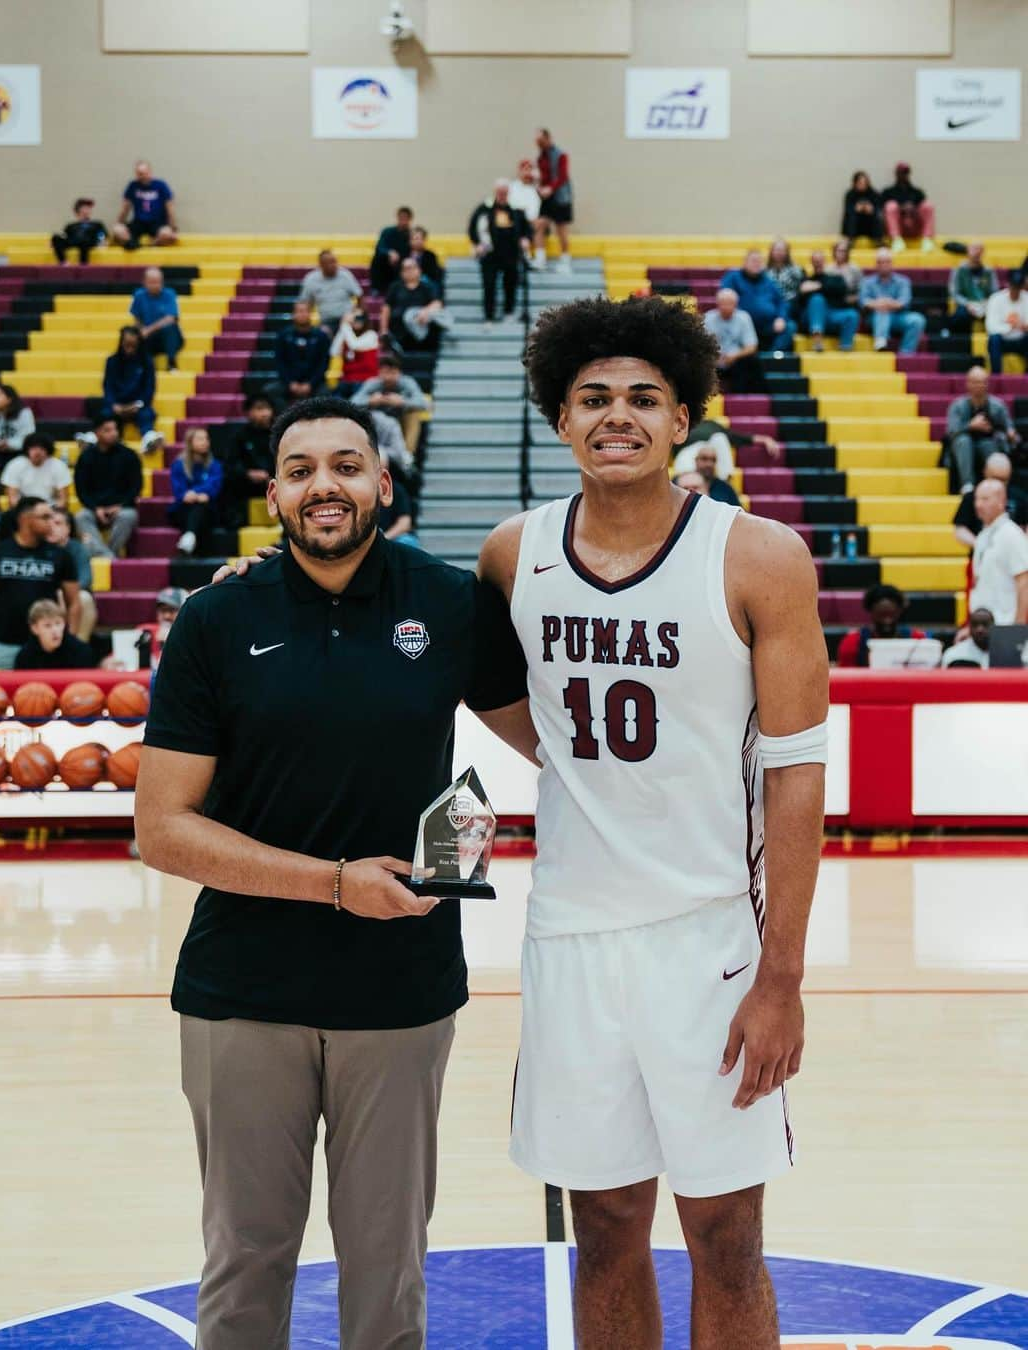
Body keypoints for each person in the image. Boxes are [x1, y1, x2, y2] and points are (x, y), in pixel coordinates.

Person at [134, 395, 530, 1350]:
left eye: (347, 466)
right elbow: (163, 830)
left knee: (388, 1268)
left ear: (383, 484)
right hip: (243, 991)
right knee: (245, 1261)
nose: (326, 485)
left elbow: (563, 742)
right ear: (275, 493)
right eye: (302, 469)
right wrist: (336, 882)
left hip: (400, 991)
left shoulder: (446, 601)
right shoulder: (217, 618)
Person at [478, 294, 828, 1349]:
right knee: (607, 1224)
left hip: (711, 940)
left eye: (644, 397)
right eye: (592, 398)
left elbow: (798, 779)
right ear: (559, 418)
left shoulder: (758, 556)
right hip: (571, 939)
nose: (616, 415)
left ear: (685, 420)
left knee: (726, 1234)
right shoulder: (513, 553)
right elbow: (497, 691)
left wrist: (783, 978)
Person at [0, 496, 80, 669]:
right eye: (45, 517)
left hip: (45, 648)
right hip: (3, 643)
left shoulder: (61, 555)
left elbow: (74, 602)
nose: (51, 522)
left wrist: (70, 639)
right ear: (25, 519)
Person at [74, 416, 142, 559]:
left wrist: (121, 505)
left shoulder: (129, 455)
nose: (114, 433)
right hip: (95, 508)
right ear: (97, 433)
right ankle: (108, 557)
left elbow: (136, 486)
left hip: (121, 507)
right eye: (108, 430)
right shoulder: (86, 457)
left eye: (115, 429)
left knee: (128, 515)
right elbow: (81, 490)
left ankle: (109, 555)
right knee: (81, 516)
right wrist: (95, 508)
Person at [90, 325, 163, 450]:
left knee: (147, 414)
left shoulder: (147, 361)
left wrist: (138, 404)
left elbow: (150, 388)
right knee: (105, 414)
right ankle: (93, 438)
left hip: (138, 405)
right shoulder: (112, 361)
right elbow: (107, 387)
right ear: (121, 343)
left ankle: (149, 437)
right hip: (117, 405)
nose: (129, 349)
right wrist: (113, 405)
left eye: (133, 345)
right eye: (126, 345)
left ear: (139, 344)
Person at [469, 180, 531, 324]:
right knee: (489, 285)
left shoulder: (516, 209)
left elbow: (527, 229)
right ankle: (489, 316)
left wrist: (525, 239)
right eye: (500, 192)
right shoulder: (485, 208)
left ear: (508, 193)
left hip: (511, 254)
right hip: (490, 255)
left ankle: (509, 312)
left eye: (505, 192)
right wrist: (477, 244)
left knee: (510, 284)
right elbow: (473, 228)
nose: (502, 195)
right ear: (495, 192)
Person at [945, 367, 1017, 492]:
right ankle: (967, 486)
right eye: (975, 382)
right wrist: (970, 426)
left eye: (982, 382)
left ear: (987, 384)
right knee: (963, 441)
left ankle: (996, 484)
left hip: (989, 444)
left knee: (988, 444)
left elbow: (1010, 429)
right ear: (967, 384)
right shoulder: (957, 405)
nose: (978, 385)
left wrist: (1011, 434)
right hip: (962, 447)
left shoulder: (998, 406)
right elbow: (950, 432)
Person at [969, 479, 1028, 625]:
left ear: (1002, 501)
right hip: (982, 626)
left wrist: (1017, 627)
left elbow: (1024, 582)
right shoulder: (982, 536)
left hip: (1005, 623)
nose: (978, 505)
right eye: (977, 499)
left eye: (985, 499)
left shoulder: (1011, 534)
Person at [352, 354, 428, 455]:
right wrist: (370, 401)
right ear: (379, 373)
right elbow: (353, 402)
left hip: (401, 419)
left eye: (392, 372)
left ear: (399, 372)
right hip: (378, 422)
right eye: (385, 373)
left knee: (413, 414)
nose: (388, 377)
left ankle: (407, 456)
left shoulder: (408, 383)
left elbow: (423, 403)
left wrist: (403, 402)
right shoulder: (372, 383)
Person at [720, 250, 796, 353]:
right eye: (753, 261)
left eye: (759, 261)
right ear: (745, 262)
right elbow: (724, 296)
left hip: (768, 325)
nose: (756, 264)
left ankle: (770, 358)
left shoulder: (768, 280)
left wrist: (781, 318)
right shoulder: (733, 277)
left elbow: (781, 302)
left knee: (790, 326)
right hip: (742, 324)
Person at [836, 584, 927, 667]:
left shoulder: (917, 640)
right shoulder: (852, 643)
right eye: (882, 615)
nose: (887, 622)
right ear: (871, 611)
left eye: (891, 615)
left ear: (899, 612)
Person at [953, 452, 1028, 548]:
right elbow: (960, 528)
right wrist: (979, 545)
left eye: (1003, 480)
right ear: (985, 472)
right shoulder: (972, 496)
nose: (998, 484)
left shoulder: (1020, 498)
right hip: (982, 553)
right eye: (994, 478)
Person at [267, 301, 332, 410]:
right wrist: (290, 383)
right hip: (289, 382)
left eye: (305, 311)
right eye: (299, 311)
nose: (302, 314)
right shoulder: (283, 335)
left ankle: (315, 423)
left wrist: (311, 384)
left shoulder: (321, 336)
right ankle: (285, 420)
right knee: (269, 391)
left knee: (326, 393)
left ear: (310, 314)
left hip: (314, 384)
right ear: (293, 314)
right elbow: (279, 362)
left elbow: (324, 363)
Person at [220, 396, 275, 524]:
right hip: (247, 482)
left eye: (267, 408)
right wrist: (248, 473)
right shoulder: (239, 436)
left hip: (273, 481)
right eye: (259, 409)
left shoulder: (279, 435)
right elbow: (230, 464)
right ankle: (233, 521)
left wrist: (271, 477)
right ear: (248, 413)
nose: (265, 413)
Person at [169, 427, 223, 556]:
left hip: (207, 508)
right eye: (200, 439)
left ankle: (189, 537)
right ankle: (191, 538)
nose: (205, 442)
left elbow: (214, 486)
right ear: (190, 442)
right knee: (194, 511)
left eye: (206, 439)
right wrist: (192, 495)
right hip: (183, 508)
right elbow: (178, 491)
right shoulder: (178, 464)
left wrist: (194, 493)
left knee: (201, 509)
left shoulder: (215, 464)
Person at [47, 504, 98, 641]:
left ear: (68, 528)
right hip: (46, 599)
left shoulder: (78, 549)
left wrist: (62, 594)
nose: (51, 527)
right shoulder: (37, 548)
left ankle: (78, 646)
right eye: (48, 522)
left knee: (84, 598)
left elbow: (85, 579)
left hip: (69, 599)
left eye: (57, 523)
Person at [859, 249, 925, 353]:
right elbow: (863, 301)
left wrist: (885, 302)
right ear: (876, 264)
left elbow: (904, 302)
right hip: (874, 318)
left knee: (917, 320)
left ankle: (906, 353)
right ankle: (880, 343)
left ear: (891, 263)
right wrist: (881, 304)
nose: (884, 265)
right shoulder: (867, 282)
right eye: (881, 262)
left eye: (887, 262)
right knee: (882, 311)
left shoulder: (903, 281)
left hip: (898, 317)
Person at [673, 416, 782, 479]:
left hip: (712, 449)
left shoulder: (712, 425)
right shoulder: (678, 425)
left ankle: (725, 481)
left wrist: (765, 439)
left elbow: (737, 437)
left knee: (720, 437)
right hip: (688, 452)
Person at [703, 288, 764, 393]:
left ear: (736, 304)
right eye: (723, 303)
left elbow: (752, 346)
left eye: (729, 303)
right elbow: (701, 345)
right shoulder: (708, 318)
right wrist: (714, 357)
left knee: (752, 362)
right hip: (713, 360)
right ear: (717, 304)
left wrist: (734, 356)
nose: (726, 307)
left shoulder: (744, 317)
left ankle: (743, 397)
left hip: (736, 360)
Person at [798, 249, 859, 352]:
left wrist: (818, 286)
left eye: (820, 260)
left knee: (852, 315)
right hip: (812, 318)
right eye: (815, 260)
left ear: (825, 261)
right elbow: (800, 298)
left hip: (832, 316)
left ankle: (845, 347)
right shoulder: (806, 280)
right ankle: (817, 340)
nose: (818, 263)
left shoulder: (835, 278)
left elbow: (841, 290)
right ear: (811, 262)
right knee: (817, 300)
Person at [380, 258, 444, 355]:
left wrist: (425, 312)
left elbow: (437, 303)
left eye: (412, 268)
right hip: (399, 331)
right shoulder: (395, 287)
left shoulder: (427, 287)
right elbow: (386, 308)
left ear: (419, 270)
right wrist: (384, 330)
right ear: (401, 272)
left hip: (421, 327)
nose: (409, 271)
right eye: (406, 269)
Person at [532, 128, 574, 273]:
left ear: (548, 138)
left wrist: (550, 188)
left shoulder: (561, 155)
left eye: (541, 141)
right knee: (540, 225)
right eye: (537, 142)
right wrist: (539, 187)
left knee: (561, 229)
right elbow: (541, 177)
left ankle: (565, 259)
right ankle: (540, 259)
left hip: (560, 197)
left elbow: (562, 176)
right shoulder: (540, 157)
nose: (539, 145)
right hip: (546, 198)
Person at [13, 598, 95, 670]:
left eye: (58, 623)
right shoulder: (24, 657)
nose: (55, 630)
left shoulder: (81, 652)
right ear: (35, 628)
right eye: (47, 625)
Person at [113, 160, 178, 250]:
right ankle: (132, 242)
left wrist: (173, 227)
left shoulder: (161, 185)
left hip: (157, 223)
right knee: (117, 230)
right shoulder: (133, 186)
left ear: (150, 172)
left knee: (167, 234)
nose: (142, 176)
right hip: (139, 222)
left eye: (144, 173)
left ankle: (152, 244)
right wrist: (119, 223)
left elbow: (170, 207)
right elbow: (125, 208)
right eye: (139, 174)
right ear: (136, 174)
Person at [129, 267, 184, 370]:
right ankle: (146, 365)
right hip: (150, 338)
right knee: (131, 332)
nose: (156, 285)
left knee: (170, 328)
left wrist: (148, 330)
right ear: (144, 282)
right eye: (152, 282)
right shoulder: (139, 295)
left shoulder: (169, 294)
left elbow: (171, 318)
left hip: (168, 338)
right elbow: (137, 318)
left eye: (158, 282)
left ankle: (171, 362)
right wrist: (140, 331)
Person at [297, 250, 363, 335]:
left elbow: (360, 296)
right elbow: (304, 303)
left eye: (334, 261)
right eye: (329, 263)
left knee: (350, 329)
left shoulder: (345, 275)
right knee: (322, 333)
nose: (333, 265)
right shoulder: (311, 279)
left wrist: (357, 313)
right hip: (326, 322)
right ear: (321, 265)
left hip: (347, 319)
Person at [1, 432, 71, 509]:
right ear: (27, 449)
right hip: (23, 509)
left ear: (48, 450)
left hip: (50, 509)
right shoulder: (15, 464)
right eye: (33, 448)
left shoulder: (59, 466)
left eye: (42, 448)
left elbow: (63, 500)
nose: (38, 452)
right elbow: (12, 499)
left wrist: (47, 512)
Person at [880, 162, 936, 253]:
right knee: (891, 205)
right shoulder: (888, 192)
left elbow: (924, 212)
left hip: (914, 225)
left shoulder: (917, 192)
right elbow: (882, 213)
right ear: (896, 174)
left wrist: (913, 209)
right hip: (899, 227)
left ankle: (927, 240)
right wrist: (901, 209)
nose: (903, 175)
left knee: (928, 205)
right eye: (900, 172)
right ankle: (896, 240)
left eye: (905, 173)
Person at [985, 269, 1028, 374]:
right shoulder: (995, 299)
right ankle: (996, 377)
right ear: (1008, 284)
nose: (1015, 290)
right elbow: (991, 327)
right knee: (994, 339)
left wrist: (1021, 326)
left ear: (1023, 285)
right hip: (1002, 341)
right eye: (1014, 286)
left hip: (1022, 340)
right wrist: (1012, 326)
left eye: (1018, 287)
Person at [330, 308, 380, 398]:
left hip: (365, 380)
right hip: (347, 380)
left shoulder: (371, 335)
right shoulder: (348, 334)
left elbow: (355, 345)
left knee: (355, 397)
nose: (356, 320)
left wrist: (345, 326)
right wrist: (342, 329)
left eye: (359, 317)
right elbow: (334, 352)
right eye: (354, 317)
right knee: (334, 399)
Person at [133, 585, 188, 665]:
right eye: (163, 610)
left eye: (172, 610)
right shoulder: (144, 631)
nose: (167, 616)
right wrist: (111, 661)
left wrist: (172, 642)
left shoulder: (188, 635)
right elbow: (118, 656)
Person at [948, 242, 995, 329]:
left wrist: (987, 302)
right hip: (966, 305)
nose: (976, 252)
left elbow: (994, 291)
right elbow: (954, 293)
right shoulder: (959, 270)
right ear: (967, 251)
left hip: (984, 305)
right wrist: (967, 303)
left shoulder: (989, 271)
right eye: (974, 249)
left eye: (979, 249)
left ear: (982, 252)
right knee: (959, 316)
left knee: (996, 315)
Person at [369, 205, 413, 294]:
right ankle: (376, 289)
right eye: (401, 217)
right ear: (397, 217)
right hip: (386, 264)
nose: (403, 220)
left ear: (410, 219)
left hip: (402, 266)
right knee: (377, 258)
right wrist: (389, 253)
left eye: (406, 218)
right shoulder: (387, 231)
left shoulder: (411, 235)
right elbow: (379, 247)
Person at [51, 197, 107, 266]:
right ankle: (64, 262)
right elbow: (64, 236)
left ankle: (83, 264)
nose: (88, 210)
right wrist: (55, 242)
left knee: (84, 241)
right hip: (74, 241)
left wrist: (101, 241)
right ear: (78, 210)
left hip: (88, 241)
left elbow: (102, 234)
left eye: (89, 208)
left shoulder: (96, 224)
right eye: (85, 208)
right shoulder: (71, 225)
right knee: (56, 237)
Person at [766, 238, 805, 319]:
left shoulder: (796, 270)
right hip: (770, 303)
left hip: (790, 304)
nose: (779, 252)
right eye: (777, 250)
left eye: (782, 250)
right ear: (771, 252)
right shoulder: (764, 270)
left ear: (787, 252)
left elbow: (803, 286)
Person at [840, 171, 883, 243]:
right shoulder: (850, 194)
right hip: (855, 227)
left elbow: (878, 209)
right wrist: (856, 209)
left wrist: (870, 209)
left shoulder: (874, 194)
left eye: (865, 183)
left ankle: (878, 240)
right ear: (855, 183)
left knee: (877, 217)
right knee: (852, 216)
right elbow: (847, 210)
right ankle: (849, 240)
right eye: (860, 183)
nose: (863, 185)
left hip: (869, 226)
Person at [409, 227, 445, 298]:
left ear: (424, 240)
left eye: (420, 239)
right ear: (410, 240)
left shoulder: (431, 255)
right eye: (415, 239)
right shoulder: (404, 254)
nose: (417, 241)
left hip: (425, 283)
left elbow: (433, 274)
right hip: (407, 284)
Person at [827, 238, 863, 308]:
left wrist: (854, 298)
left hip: (849, 303)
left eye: (844, 251)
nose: (841, 253)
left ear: (848, 253)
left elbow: (861, 289)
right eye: (839, 251)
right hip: (831, 302)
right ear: (834, 252)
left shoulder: (854, 268)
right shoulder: (828, 269)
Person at [508, 158, 542, 225]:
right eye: (526, 170)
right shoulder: (511, 187)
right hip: (514, 221)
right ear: (519, 171)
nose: (528, 173)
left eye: (530, 170)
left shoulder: (535, 190)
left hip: (531, 223)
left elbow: (534, 211)